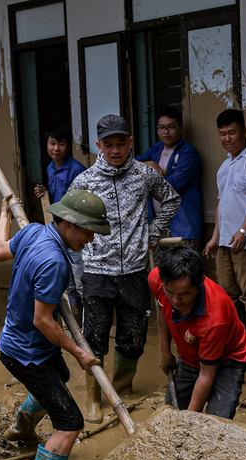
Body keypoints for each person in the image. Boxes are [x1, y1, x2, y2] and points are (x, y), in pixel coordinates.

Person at [0, 190, 110, 460]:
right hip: (25, 353)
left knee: (61, 377)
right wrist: (79, 353)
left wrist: (4, 214)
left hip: (18, 341)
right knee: (71, 422)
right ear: (69, 223)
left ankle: (21, 428)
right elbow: (43, 321)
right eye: (88, 232)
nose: (91, 240)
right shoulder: (54, 262)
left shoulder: (32, 230)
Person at [69, 114, 180, 423]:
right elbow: (68, 221)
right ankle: (95, 399)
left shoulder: (145, 175)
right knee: (94, 336)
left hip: (134, 269)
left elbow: (171, 199)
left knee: (133, 337)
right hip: (96, 270)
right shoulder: (85, 181)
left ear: (130, 142)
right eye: (108, 145)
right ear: (98, 145)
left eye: (121, 143)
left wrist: (154, 231)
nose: (115, 150)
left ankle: (122, 390)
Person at [204, 108, 246, 382]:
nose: (227, 138)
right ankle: (240, 348)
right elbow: (221, 204)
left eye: (231, 132)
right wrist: (216, 236)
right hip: (226, 242)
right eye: (222, 134)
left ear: (244, 131)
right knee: (229, 294)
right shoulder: (225, 165)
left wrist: (244, 230)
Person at [151, 246, 246, 418]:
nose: (175, 300)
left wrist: (189, 420)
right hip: (190, 356)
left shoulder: (214, 318)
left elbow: (206, 374)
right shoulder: (156, 279)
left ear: (200, 282)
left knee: (215, 422)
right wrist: (166, 352)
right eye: (170, 292)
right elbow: (162, 310)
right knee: (170, 415)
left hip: (228, 359)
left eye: (184, 294)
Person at [33, 124, 86, 319]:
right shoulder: (50, 168)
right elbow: (57, 199)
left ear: (68, 146)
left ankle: (89, 325)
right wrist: (44, 193)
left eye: (60, 144)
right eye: (52, 143)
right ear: (47, 145)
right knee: (69, 283)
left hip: (76, 234)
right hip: (60, 234)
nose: (56, 148)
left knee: (81, 281)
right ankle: (76, 324)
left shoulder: (77, 169)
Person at [135, 107, 203, 249]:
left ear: (180, 128)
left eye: (171, 127)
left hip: (183, 225)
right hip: (159, 225)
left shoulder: (188, 152)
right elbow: (131, 164)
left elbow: (175, 184)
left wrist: (147, 179)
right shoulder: (156, 149)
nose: (166, 132)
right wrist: (149, 163)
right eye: (162, 128)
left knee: (184, 269)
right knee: (161, 270)